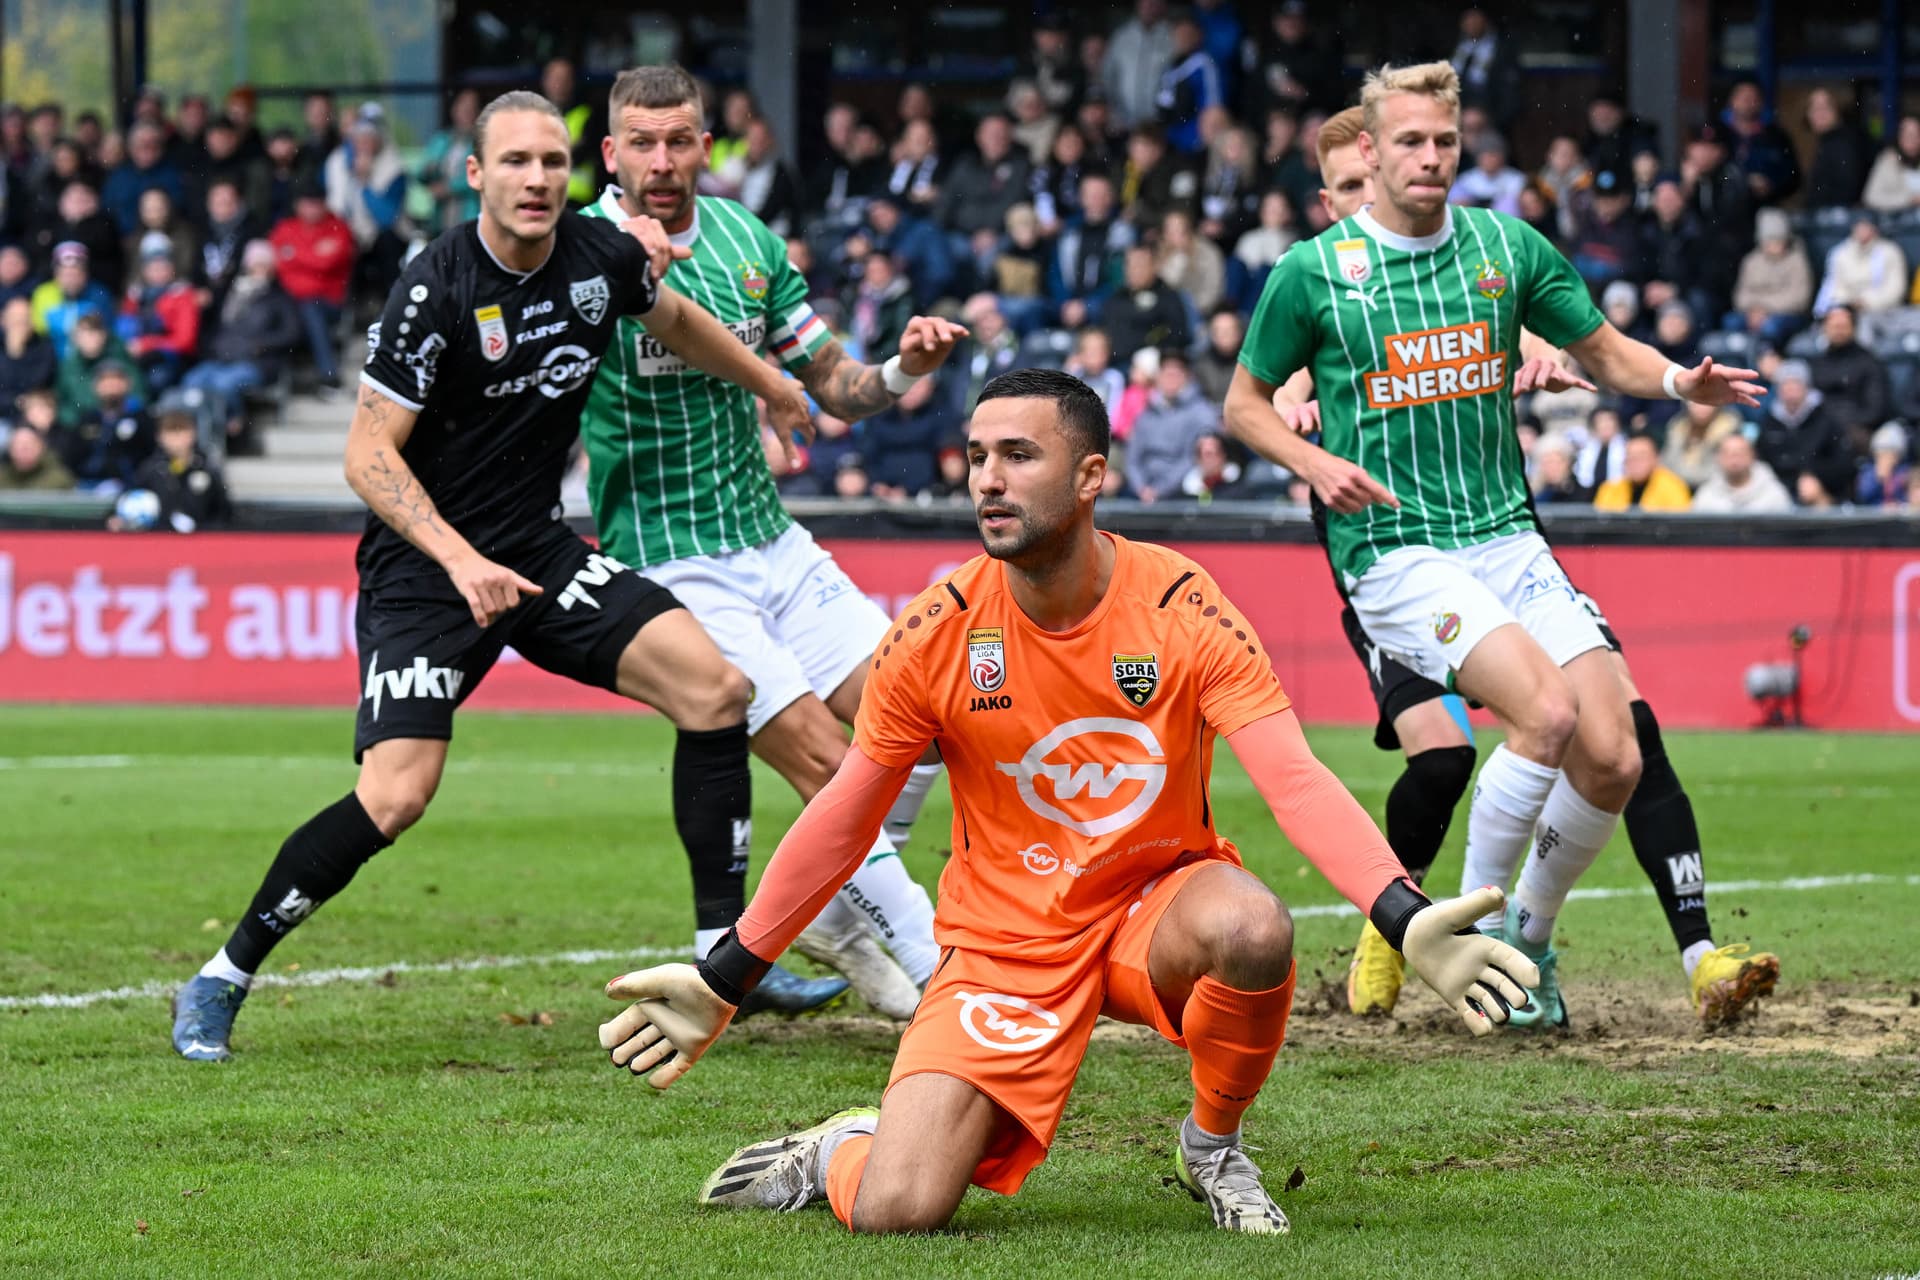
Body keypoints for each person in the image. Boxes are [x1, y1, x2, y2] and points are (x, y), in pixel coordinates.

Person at [595, 368, 1539, 1238]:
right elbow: (847, 809)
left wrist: (1403, 914)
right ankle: (838, 1148)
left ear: (1090, 475)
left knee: (1252, 926)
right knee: (898, 1211)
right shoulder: (935, 630)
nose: (988, 481)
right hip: (1005, 942)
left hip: (1150, 906)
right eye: (976, 457)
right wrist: (729, 972)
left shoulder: (1181, 604)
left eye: (1018, 455)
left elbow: (1291, 777)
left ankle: (1212, 1146)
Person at [169, 89, 833, 1063]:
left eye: (554, 162)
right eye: (516, 162)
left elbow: (679, 319)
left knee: (716, 688)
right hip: (424, 567)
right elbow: (365, 456)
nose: (537, 179)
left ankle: (720, 956)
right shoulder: (434, 288)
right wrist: (458, 559)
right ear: (475, 175)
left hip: (535, 549)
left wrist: (774, 383)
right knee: (396, 794)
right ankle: (222, 975)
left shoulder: (600, 259)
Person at [1223, 69, 1774, 1029]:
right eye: (1410, 143)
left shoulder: (1502, 246)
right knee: (1543, 715)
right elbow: (1241, 405)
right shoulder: (1313, 273)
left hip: (1506, 536)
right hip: (1395, 546)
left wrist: (1683, 381)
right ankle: (1474, 953)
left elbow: (1601, 348)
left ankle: (1528, 933)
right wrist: (1313, 460)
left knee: (1612, 754)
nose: (1430, 158)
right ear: (1372, 152)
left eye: (1444, 140)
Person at [578, 65, 971, 1016]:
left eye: (681, 140)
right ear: (611, 153)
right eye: (644, 142)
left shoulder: (748, 240)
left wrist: (900, 370)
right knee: (826, 761)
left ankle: (839, 907)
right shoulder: (579, 250)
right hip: (671, 556)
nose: (664, 162)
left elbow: (831, 381)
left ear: (708, 144)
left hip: (771, 540)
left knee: (927, 713)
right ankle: (945, 980)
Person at [269, 180, 355, 390]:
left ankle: (328, 375)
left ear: (324, 204)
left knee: (310, 308)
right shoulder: (285, 227)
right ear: (298, 205)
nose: (311, 208)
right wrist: (313, 255)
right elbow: (274, 262)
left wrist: (294, 255)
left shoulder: (339, 227)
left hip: (328, 302)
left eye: (316, 203)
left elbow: (327, 263)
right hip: (289, 300)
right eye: (307, 203)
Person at [1125, 348, 1217, 502]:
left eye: (1176, 374)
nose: (1170, 379)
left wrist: (1160, 490)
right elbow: (1133, 457)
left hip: (1182, 492)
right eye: (1166, 373)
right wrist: (1141, 488)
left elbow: (1192, 458)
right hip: (1143, 491)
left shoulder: (1201, 413)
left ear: (1187, 377)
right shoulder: (1146, 413)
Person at [129, 396, 231, 531]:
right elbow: (132, 499)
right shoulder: (150, 470)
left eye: (182, 431)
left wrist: (201, 529)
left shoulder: (207, 469)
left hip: (201, 541)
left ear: (193, 434)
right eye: (170, 432)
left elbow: (223, 512)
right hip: (158, 540)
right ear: (159, 437)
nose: (177, 438)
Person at [1691, 431, 1791, 514]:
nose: (1734, 459)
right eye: (1728, 453)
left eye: (1740, 453)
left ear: (1752, 455)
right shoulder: (1706, 495)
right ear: (1718, 458)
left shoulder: (1773, 494)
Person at [1593, 433, 1691, 511]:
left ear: (1655, 458)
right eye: (1630, 456)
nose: (1635, 462)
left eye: (1641, 456)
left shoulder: (1673, 488)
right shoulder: (1611, 489)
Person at [0, 408, 74, 490]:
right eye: (17, 447)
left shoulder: (60, 480)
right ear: (10, 449)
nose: (22, 452)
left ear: (41, 447)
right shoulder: (2, 477)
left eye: (27, 447)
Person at [1862, 114, 1920, 213]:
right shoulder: (1887, 160)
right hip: (1896, 223)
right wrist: (1910, 199)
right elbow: (1871, 197)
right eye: (1906, 134)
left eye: (1915, 134)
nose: (1911, 139)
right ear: (1899, 136)